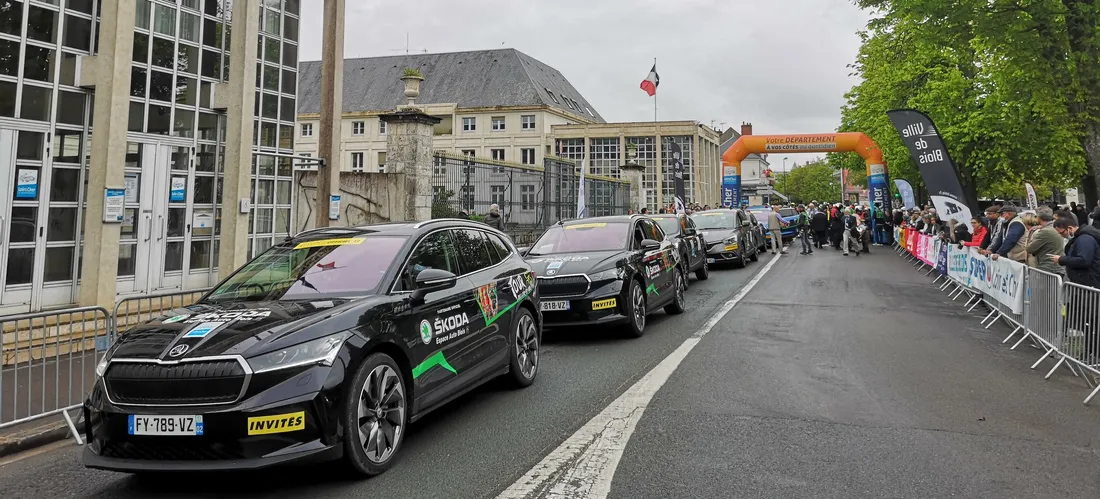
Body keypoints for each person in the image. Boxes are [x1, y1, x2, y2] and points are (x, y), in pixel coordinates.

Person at [1050, 217, 1100, 288]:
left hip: (1088, 283)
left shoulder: (1084, 239)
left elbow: (1083, 260)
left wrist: (1061, 259)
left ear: (1070, 228)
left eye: (1062, 232)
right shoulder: (1079, 239)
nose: (1062, 236)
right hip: (1083, 282)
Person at [1027, 209, 1064, 275]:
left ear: (1039, 218)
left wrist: (1030, 237)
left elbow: (1030, 249)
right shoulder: (1056, 227)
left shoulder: (1045, 231)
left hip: (1048, 268)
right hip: (1056, 266)